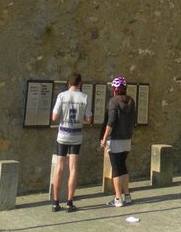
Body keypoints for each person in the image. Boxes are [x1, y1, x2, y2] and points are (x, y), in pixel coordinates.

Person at [51, 72, 92, 212]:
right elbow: (88, 119)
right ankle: (69, 202)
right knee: (73, 168)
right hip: (76, 135)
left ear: (68, 83)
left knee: (59, 167)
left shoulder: (62, 96)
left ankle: (55, 202)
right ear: (80, 83)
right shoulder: (85, 97)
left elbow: (54, 117)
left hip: (63, 134)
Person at [100, 75, 136, 208]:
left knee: (116, 168)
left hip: (115, 139)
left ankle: (117, 198)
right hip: (126, 138)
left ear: (115, 89)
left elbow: (111, 122)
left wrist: (104, 139)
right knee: (123, 166)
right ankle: (127, 195)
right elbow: (133, 121)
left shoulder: (113, 102)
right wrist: (132, 136)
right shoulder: (131, 101)